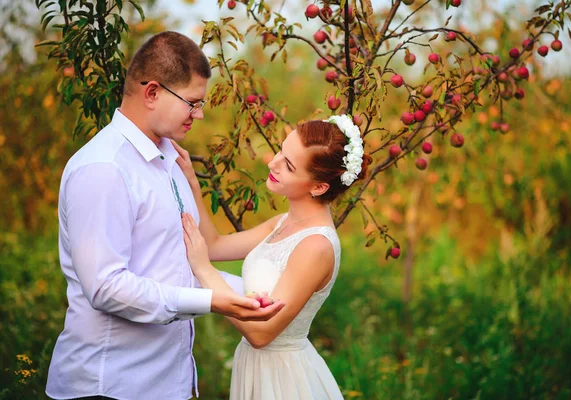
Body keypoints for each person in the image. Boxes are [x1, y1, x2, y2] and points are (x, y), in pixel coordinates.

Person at [45, 31, 284, 400]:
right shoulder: (103, 168)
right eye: (193, 102)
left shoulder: (171, 161)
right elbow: (106, 287)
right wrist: (212, 301)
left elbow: (176, 264)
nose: (200, 114)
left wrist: (261, 297)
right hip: (111, 385)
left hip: (169, 383)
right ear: (152, 93)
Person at [174, 114, 372, 399]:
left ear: (318, 187)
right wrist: (192, 182)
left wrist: (204, 272)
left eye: (289, 166)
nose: (272, 163)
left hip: (284, 379)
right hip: (255, 368)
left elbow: (261, 334)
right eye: (281, 150)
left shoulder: (316, 246)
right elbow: (215, 246)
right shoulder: (281, 222)